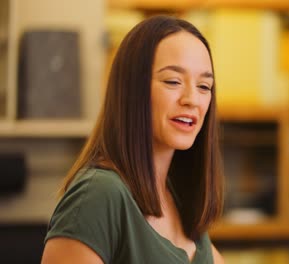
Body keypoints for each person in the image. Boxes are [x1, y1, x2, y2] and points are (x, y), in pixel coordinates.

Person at [41, 15, 224, 264]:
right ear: (132, 90)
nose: (192, 99)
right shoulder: (98, 194)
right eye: (173, 81)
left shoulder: (180, 199)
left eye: (204, 86)